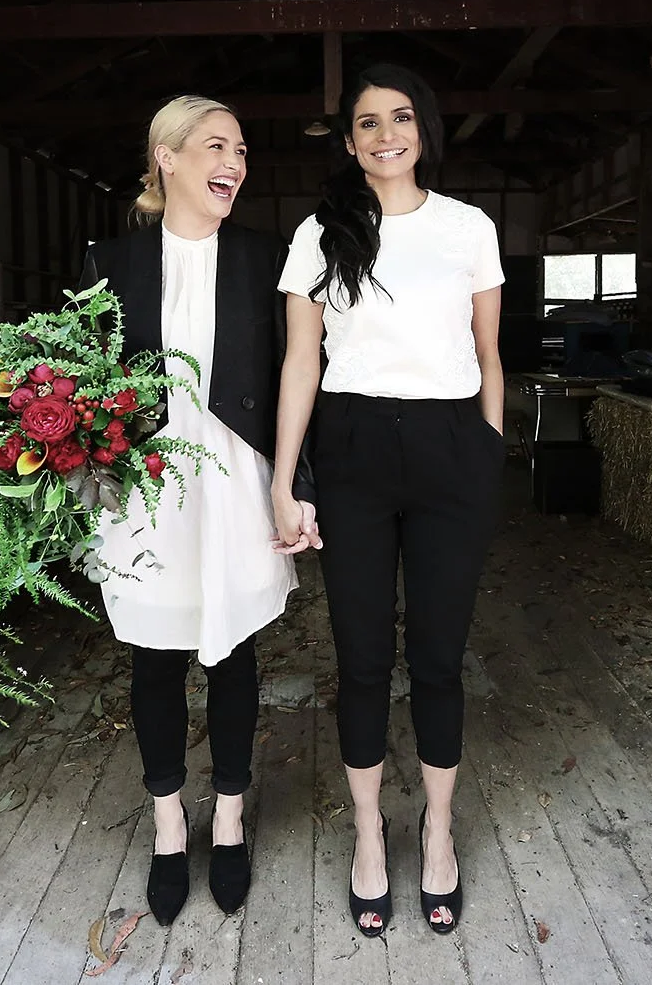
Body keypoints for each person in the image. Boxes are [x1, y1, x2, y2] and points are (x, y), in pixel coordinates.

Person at [272, 64, 506, 936]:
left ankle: (436, 829)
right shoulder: (319, 234)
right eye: (367, 123)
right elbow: (302, 363)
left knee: (440, 657)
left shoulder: (467, 228)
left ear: (424, 129)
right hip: (355, 447)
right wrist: (283, 477)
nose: (385, 135)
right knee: (363, 656)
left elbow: (488, 353)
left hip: (453, 450)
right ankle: (371, 832)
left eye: (400, 118)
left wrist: (484, 450)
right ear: (349, 142)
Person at [78, 95, 320, 926]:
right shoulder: (109, 261)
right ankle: (168, 823)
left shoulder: (264, 257)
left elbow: (301, 373)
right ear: (168, 158)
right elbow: (80, 386)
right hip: (147, 486)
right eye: (218, 146)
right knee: (153, 656)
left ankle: (228, 816)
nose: (236, 162)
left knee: (233, 654)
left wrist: (298, 482)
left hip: (233, 476)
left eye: (243, 150)